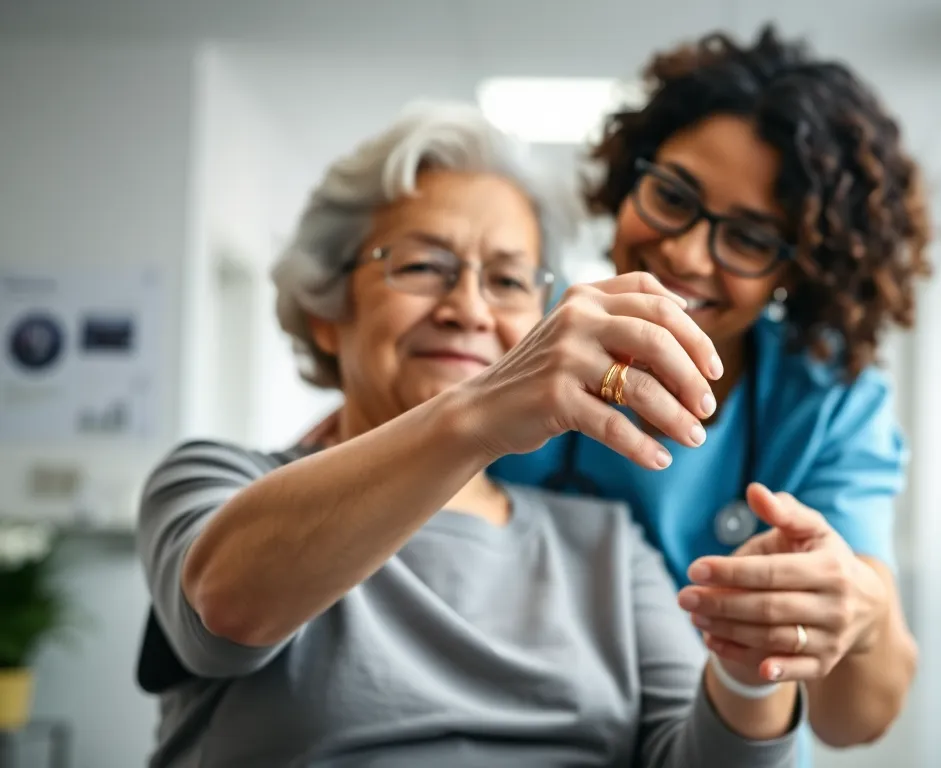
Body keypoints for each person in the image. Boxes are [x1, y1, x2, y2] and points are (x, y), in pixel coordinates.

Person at [135, 103, 806, 767]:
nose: (469, 310)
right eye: (424, 266)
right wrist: (481, 411)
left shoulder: (603, 546)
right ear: (326, 309)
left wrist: (752, 669)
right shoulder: (215, 483)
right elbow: (226, 611)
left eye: (509, 280)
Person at [487, 24, 931, 757]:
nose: (687, 253)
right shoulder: (515, 335)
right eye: (671, 195)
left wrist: (863, 608)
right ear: (632, 172)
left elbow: (853, 721)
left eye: (751, 240)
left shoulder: (826, 403)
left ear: (798, 268)